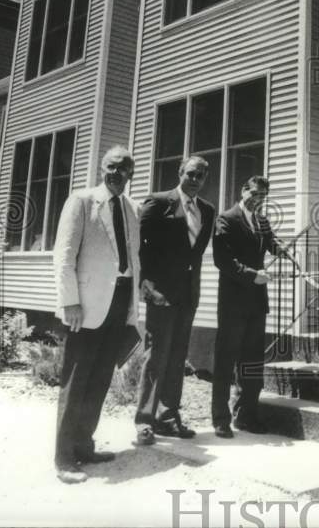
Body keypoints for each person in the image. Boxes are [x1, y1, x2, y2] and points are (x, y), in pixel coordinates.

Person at [52, 146, 141, 484]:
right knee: (76, 382)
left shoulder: (132, 209)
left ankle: (84, 446)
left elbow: (132, 259)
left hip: (119, 303)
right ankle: (63, 457)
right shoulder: (82, 201)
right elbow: (63, 256)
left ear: (131, 173)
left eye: (124, 169)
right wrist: (70, 302)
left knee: (101, 379)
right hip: (86, 306)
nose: (117, 173)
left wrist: (134, 302)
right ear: (102, 167)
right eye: (112, 167)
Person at [133, 155, 215, 445]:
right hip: (161, 293)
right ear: (180, 172)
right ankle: (145, 421)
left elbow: (196, 254)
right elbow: (138, 247)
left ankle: (168, 417)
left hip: (188, 295)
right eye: (191, 173)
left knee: (178, 356)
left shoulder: (208, 210)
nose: (196, 180)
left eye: (201, 176)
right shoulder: (158, 202)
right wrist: (147, 286)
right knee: (156, 356)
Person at [211, 175, 288, 437]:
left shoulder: (262, 221)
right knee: (226, 360)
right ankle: (220, 418)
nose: (258, 200)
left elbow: (271, 243)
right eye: (254, 194)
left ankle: (246, 416)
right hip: (233, 302)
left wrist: (282, 250)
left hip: (257, 302)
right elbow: (223, 260)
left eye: (263, 197)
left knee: (253, 361)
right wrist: (252, 275)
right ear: (244, 190)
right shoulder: (226, 219)